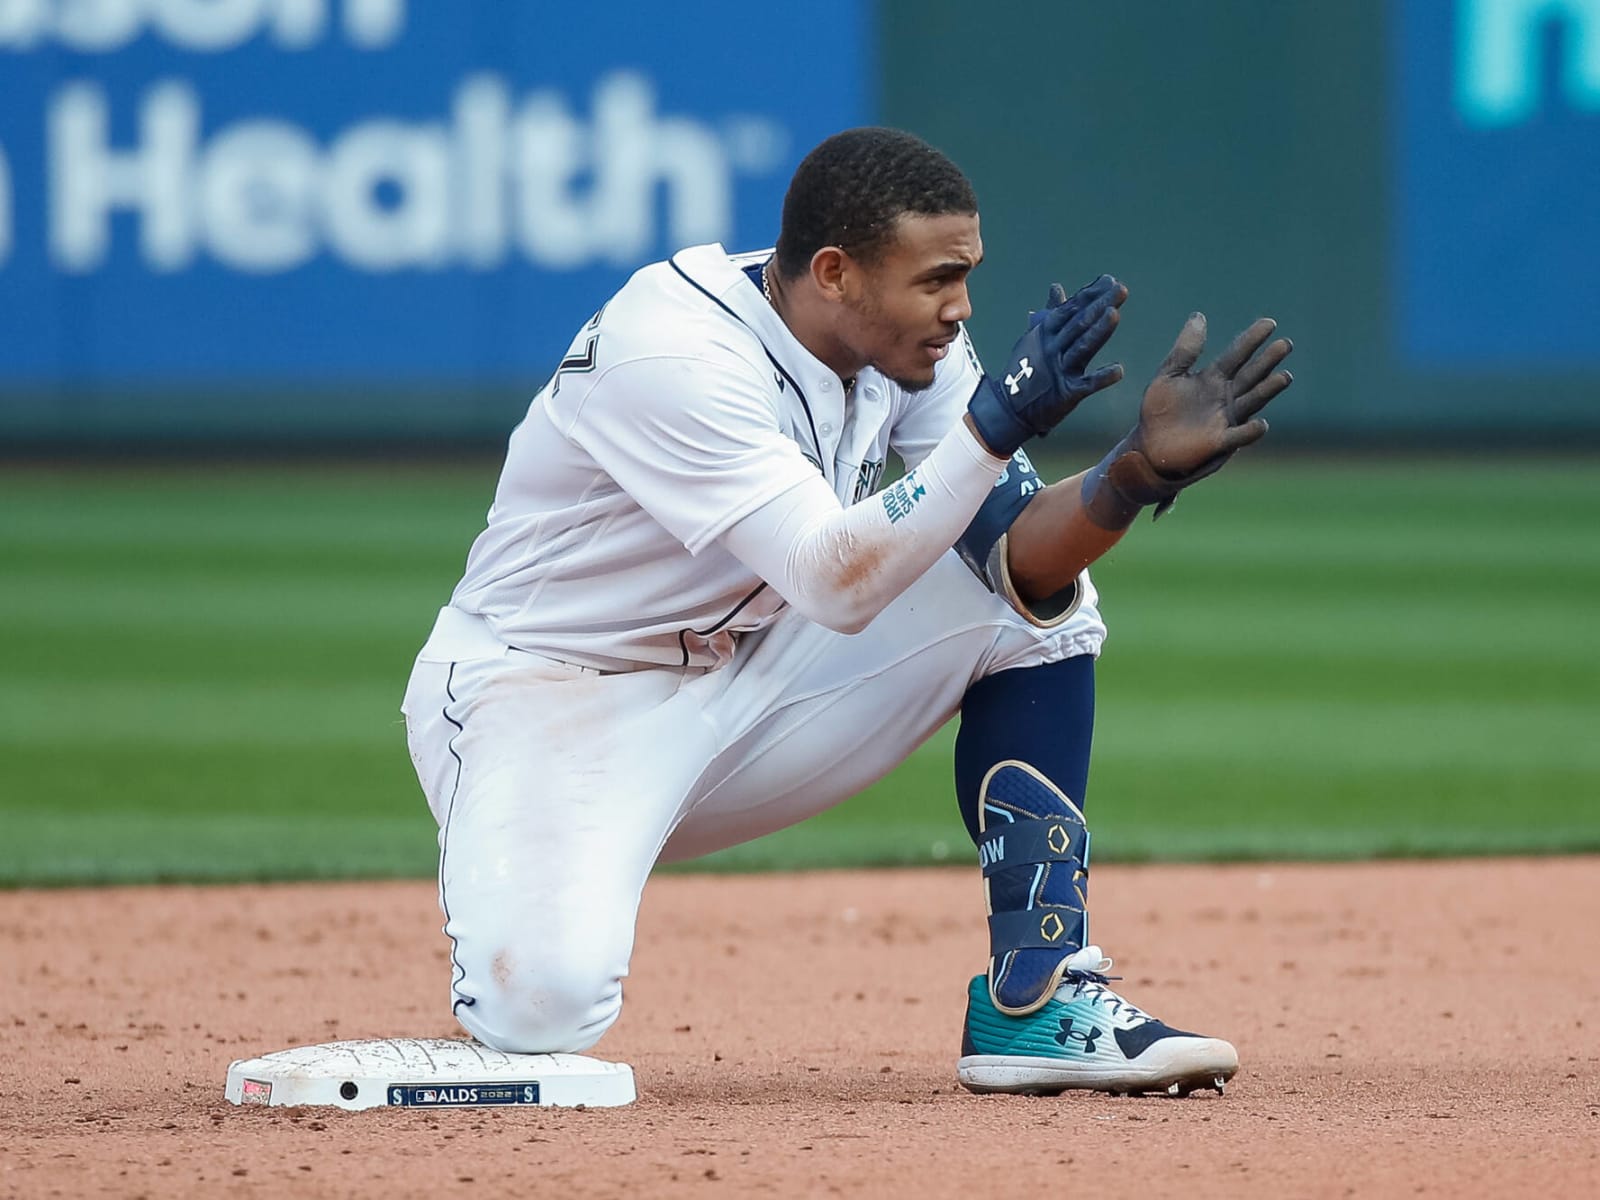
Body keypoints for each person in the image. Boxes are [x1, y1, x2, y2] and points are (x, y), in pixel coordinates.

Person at [401, 126, 1294, 1097]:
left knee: (1038, 607)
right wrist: (990, 425)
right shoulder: (672, 351)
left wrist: (1125, 477)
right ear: (834, 273)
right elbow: (832, 579)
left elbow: (1010, 550)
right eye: (936, 280)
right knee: (544, 1011)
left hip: (739, 682)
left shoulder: (895, 344)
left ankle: (1037, 1001)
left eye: (967, 275)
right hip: (547, 697)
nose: (959, 309)